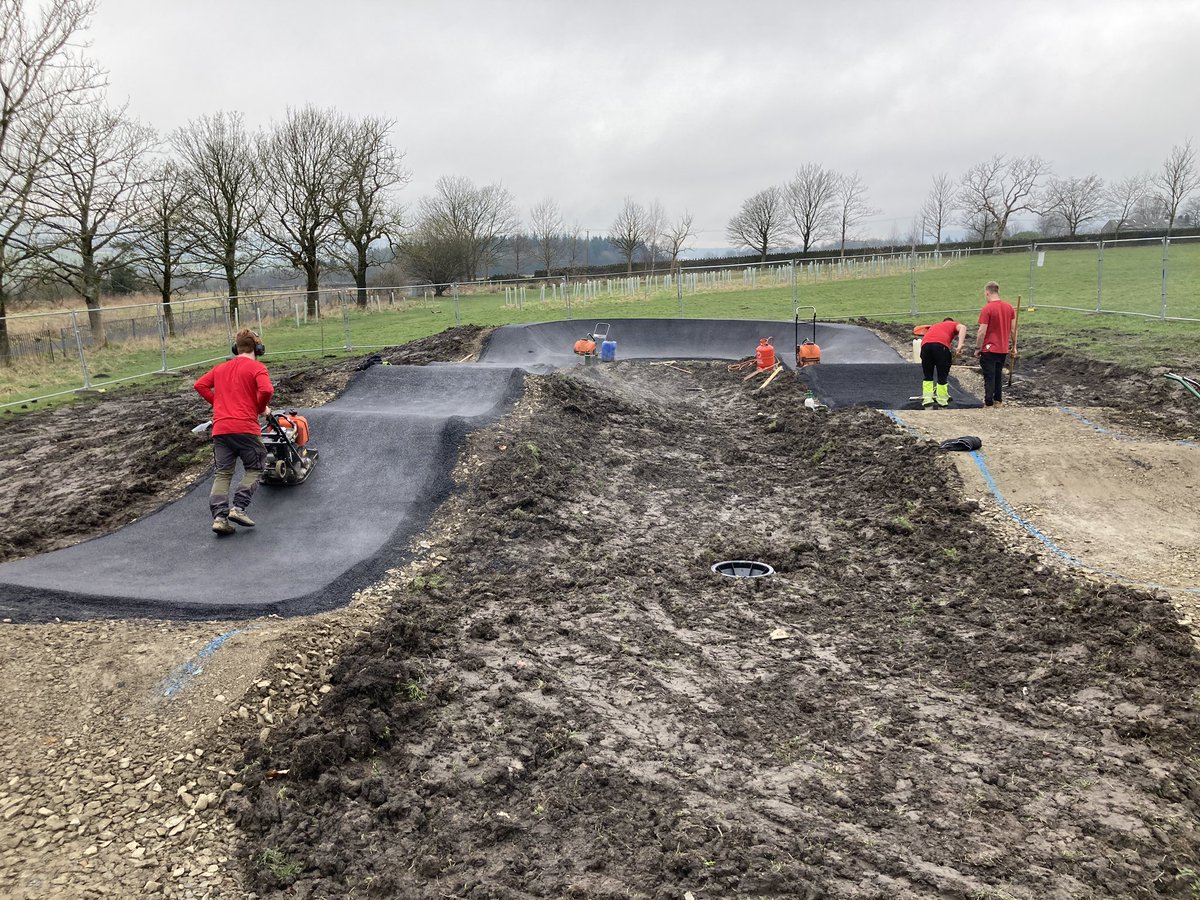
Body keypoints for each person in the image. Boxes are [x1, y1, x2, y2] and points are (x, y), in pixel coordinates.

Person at [193, 329, 274, 535]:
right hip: (245, 427)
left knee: (223, 473)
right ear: (258, 348)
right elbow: (266, 390)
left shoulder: (220, 368)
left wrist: (218, 403)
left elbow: (200, 385)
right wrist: (260, 408)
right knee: (256, 466)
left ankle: (220, 519)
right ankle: (238, 508)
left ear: (235, 348)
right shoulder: (257, 367)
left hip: (220, 429)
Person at [974, 281, 1017, 408]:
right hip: (1003, 348)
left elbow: (981, 331)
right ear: (998, 292)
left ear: (987, 293)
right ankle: (998, 400)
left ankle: (988, 402)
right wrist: (1014, 346)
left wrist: (977, 348)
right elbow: (1013, 330)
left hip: (989, 348)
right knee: (998, 374)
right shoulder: (1009, 308)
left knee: (989, 375)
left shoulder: (987, 308)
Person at [919, 317, 967, 408]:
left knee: (928, 374)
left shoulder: (936, 325)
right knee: (942, 374)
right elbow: (963, 328)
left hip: (925, 346)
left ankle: (927, 399)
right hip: (940, 346)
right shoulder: (952, 324)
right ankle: (942, 399)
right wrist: (960, 345)